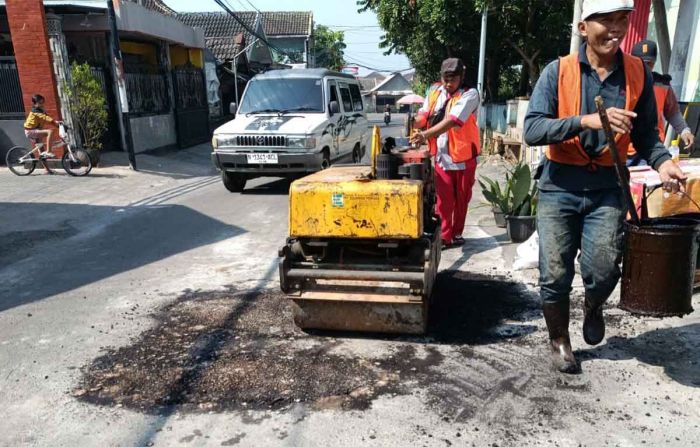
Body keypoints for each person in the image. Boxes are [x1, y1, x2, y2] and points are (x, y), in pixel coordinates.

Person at [524, 0, 687, 374]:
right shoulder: (558, 71)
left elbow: (647, 134)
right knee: (554, 272)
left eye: (622, 20)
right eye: (606, 21)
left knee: (603, 268)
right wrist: (585, 121)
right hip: (560, 185)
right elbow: (533, 129)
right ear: (584, 28)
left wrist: (664, 164)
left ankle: (594, 303)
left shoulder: (637, 75)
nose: (615, 29)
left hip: (608, 187)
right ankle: (560, 340)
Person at [411, 58, 481, 249]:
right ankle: (445, 236)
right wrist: (412, 122)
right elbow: (424, 114)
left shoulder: (470, 94)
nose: (448, 84)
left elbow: (453, 120)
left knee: (462, 199)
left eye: (453, 80)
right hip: (442, 155)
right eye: (446, 79)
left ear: (462, 77)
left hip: (464, 156)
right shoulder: (434, 91)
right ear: (441, 77)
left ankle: (457, 233)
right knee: (443, 200)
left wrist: (425, 134)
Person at [627, 39, 695, 165]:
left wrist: (685, 131)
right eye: (641, 62)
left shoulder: (662, 85)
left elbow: (673, 112)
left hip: (651, 149)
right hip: (624, 150)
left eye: (649, 63)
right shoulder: (622, 82)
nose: (645, 67)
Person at [24, 94, 58, 158]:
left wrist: (57, 125)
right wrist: (54, 121)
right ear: (34, 103)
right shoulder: (35, 111)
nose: (42, 104)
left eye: (43, 102)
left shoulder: (41, 110)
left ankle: (46, 168)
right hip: (30, 131)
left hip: (36, 131)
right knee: (50, 132)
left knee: (42, 151)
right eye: (40, 103)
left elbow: (46, 119)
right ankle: (48, 151)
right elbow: (44, 117)